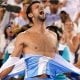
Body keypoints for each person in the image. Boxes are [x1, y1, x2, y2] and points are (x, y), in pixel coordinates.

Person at [0, 1, 80, 80]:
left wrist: (74, 69)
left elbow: (57, 61)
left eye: (42, 7)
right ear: (30, 14)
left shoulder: (53, 35)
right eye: (37, 7)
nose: (41, 8)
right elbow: (12, 61)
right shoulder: (23, 36)